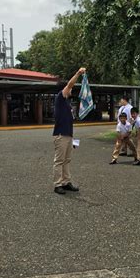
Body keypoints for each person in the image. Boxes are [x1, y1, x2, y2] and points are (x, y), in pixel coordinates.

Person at [53, 67, 86, 195]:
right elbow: (70, 84)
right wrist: (78, 73)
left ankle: (66, 182)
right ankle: (57, 184)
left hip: (68, 135)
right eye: (69, 88)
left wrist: (73, 139)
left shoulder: (66, 102)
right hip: (60, 135)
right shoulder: (60, 98)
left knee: (67, 160)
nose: (71, 89)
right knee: (59, 161)